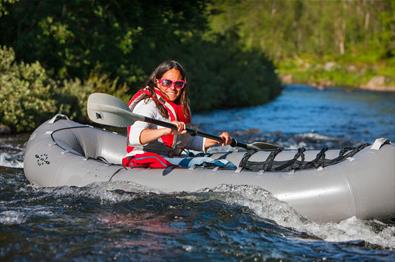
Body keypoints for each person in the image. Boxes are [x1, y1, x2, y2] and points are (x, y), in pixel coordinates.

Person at [122, 60, 235, 169]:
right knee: (207, 163)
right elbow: (134, 137)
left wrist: (218, 139)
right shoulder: (148, 104)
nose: (172, 88)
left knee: (217, 162)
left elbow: (189, 141)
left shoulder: (182, 106)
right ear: (157, 81)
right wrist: (166, 130)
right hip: (144, 158)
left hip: (170, 157)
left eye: (178, 84)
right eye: (167, 82)